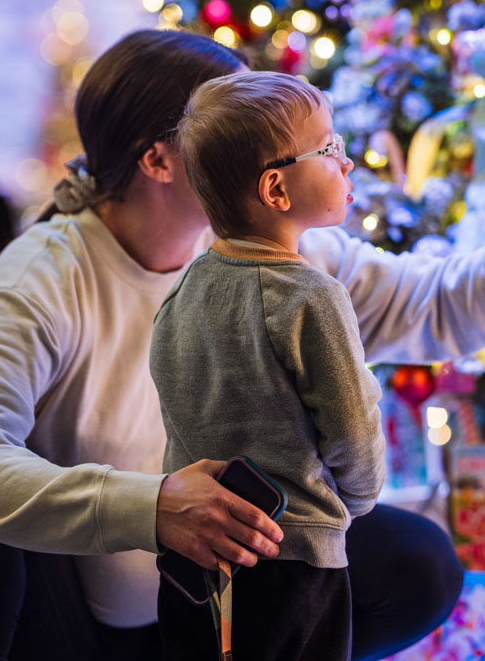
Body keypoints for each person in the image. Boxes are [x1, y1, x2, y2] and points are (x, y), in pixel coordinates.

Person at [0, 27, 485, 661]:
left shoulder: (280, 251)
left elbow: (438, 306)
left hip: (228, 606)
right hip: (81, 623)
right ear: (160, 160)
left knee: (416, 562)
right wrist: (151, 506)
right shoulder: (48, 272)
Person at [152, 71, 386, 659]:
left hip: (195, 567)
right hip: (294, 564)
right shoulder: (310, 296)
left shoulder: (183, 292)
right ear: (277, 190)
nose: (347, 163)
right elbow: (353, 431)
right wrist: (356, 503)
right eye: (330, 149)